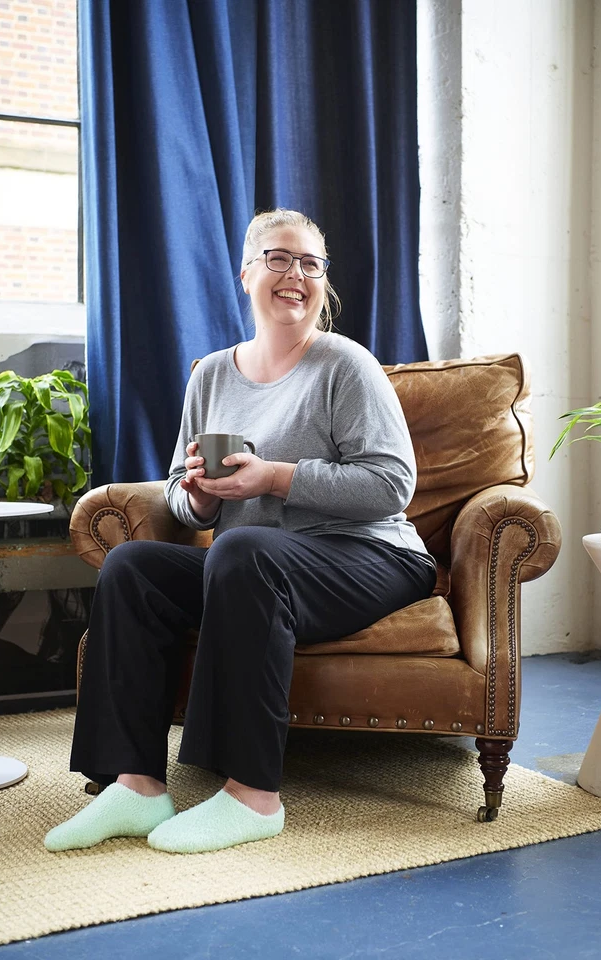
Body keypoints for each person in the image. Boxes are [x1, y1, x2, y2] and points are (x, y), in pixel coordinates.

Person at [44, 208, 437, 855]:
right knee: (133, 567)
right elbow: (179, 487)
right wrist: (195, 496)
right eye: (279, 258)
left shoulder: (345, 365)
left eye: (311, 263)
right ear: (247, 274)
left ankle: (253, 796)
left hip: (371, 556)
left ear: (322, 283)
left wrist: (273, 478)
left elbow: (392, 484)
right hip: (254, 567)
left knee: (245, 548)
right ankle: (135, 784)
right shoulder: (210, 376)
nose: (296, 274)